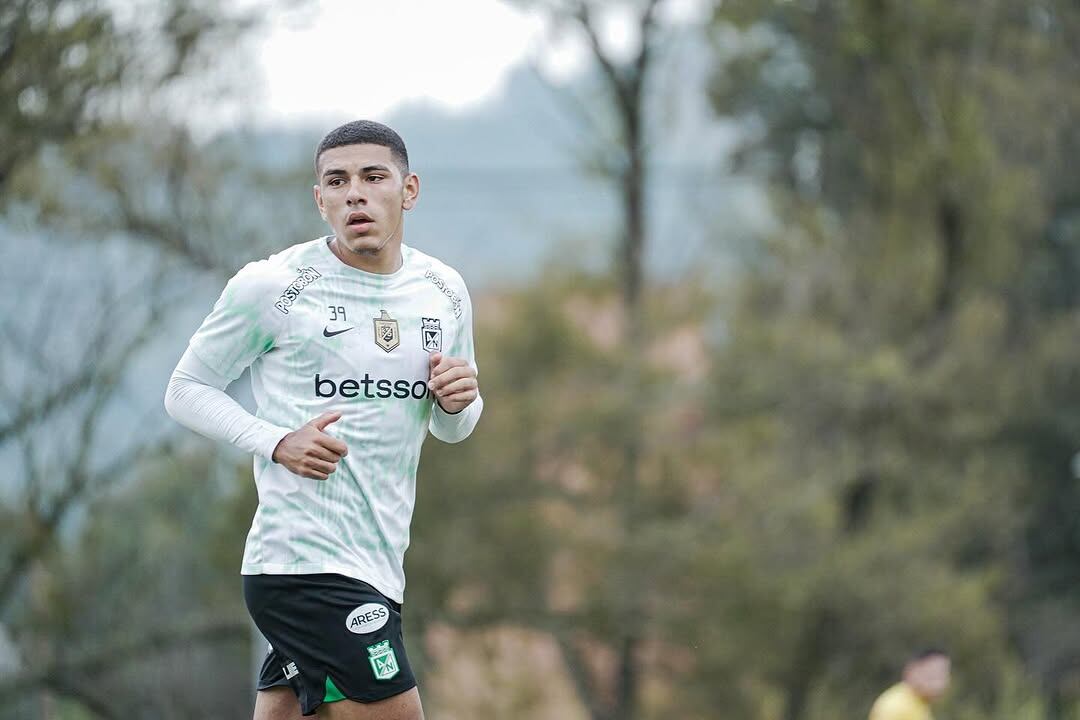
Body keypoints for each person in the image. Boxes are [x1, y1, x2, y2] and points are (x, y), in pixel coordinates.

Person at [164, 120, 482, 720]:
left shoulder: (443, 289)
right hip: (303, 563)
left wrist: (460, 402)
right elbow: (185, 389)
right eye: (337, 181)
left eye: (372, 177)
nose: (355, 193)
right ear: (320, 200)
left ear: (408, 190)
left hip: (379, 564)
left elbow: (452, 427)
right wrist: (276, 440)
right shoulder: (275, 287)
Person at [869, 648, 951, 720]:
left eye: (943, 674)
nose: (939, 683)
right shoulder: (895, 707)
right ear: (911, 670)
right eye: (933, 673)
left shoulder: (919, 703)